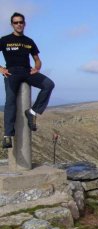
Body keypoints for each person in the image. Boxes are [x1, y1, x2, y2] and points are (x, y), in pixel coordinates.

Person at [0, 12, 54, 149]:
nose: (19, 24)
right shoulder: (4, 40)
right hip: (11, 72)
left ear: (24, 23)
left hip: (27, 71)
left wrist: (37, 68)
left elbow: (37, 59)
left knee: (48, 84)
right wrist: (1, 68)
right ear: (12, 24)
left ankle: (32, 112)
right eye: (16, 22)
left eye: (21, 22)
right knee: (10, 100)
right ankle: (7, 135)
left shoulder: (29, 41)